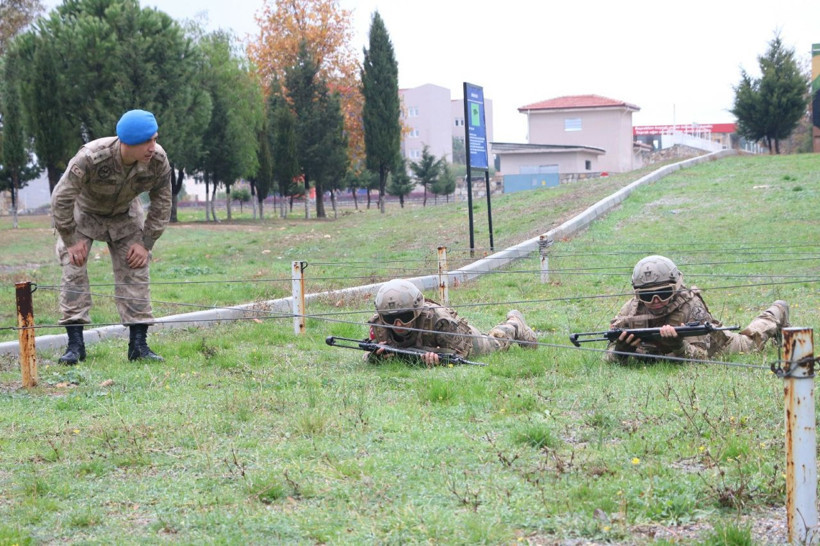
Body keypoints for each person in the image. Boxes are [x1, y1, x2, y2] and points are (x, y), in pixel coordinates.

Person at [51, 109, 172, 364]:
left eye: (155, 139)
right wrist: (71, 241)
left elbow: (162, 203)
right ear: (129, 143)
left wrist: (145, 243)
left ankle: (138, 346)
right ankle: (75, 346)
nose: (154, 146)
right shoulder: (92, 157)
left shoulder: (158, 160)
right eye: (147, 141)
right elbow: (61, 198)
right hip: (84, 215)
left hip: (125, 215)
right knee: (73, 271)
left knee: (136, 270)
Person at [605, 255, 789, 363]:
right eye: (647, 296)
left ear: (676, 286)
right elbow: (607, 357)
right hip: (666, 354)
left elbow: (702, 358)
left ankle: (777, 311)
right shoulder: (631, 310)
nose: (655, 301)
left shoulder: (690, 306)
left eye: (663, 293)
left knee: (751, 341)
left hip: (719, 346)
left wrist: (678, 345)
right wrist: (620, 351)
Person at [366, 279, 538, 365]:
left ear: (417, 311)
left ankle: (515, 324)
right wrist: (375, 356)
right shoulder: (379, 325)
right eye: (390, 319)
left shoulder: (440, 320)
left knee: (496, 341)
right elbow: (369, 353)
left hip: (469, 342)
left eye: (404, 317)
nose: (397, 325)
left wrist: (431, 355)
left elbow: (459, 354)